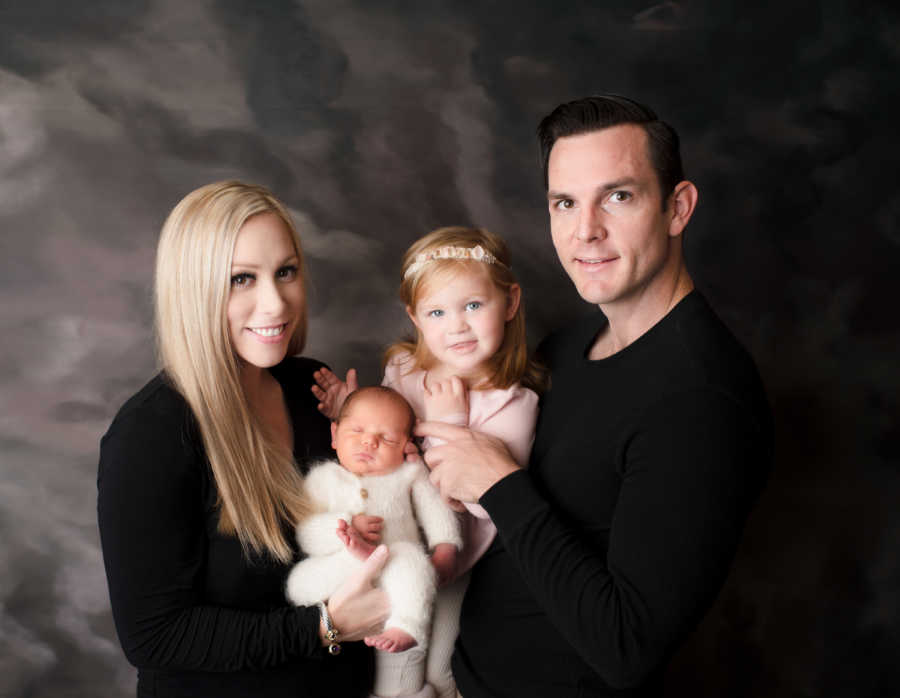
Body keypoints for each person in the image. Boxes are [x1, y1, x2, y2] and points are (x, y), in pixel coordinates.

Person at [418, 95, 774, 696]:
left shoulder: (700, 398)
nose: (586, 231)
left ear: (677, 208)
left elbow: (626, 648)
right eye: (565, 202)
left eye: (618, 196)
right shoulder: (569, 343)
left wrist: (500, 486)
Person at [97, 181, 390, 698]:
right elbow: (155, 636)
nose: (275, 303)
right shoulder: (151, 435)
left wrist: (389, 454)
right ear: (194, 291)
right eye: (241, 279)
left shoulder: (311, 388)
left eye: (286, 272)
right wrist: (325, 626)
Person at [312, 226, 543, 697]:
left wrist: (450, 425)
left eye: (473, 306)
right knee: (402, 662)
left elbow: (483, 504)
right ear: (416, 317)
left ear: (510, 303)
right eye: (437, 312)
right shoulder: (404, 370)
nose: (456, 326)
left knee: (444, 669)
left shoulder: (513, 404)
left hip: (457, 561)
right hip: (393, 550)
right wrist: (351, 410)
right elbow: (376, 448)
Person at [287, 386, 461, 656]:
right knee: (298, 582)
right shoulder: (322, 480)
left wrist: (446, 545)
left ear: (406, 446)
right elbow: (306, 535)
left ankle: (406, 625)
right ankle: (360, 557)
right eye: (357, 431)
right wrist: (345, 527)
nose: (369, 442)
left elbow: (435, 508)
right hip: (341, 568)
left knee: (412, 559)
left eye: (388, 439)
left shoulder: (409, 474)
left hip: (393, 566)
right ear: (334, 434)